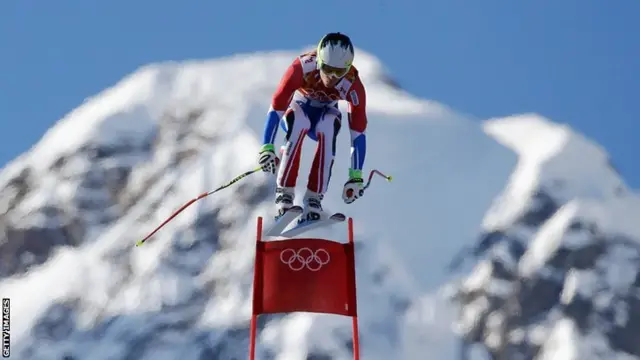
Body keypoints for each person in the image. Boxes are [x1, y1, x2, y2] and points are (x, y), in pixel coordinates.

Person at [257, 32, 368, 223]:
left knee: (328, 127)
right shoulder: (302, 67)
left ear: (348, 68)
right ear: (319, 61)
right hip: (299, 107)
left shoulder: (352, 84)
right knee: (300, 123)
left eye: (339, 72)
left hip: (326, 113)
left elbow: (358, 132)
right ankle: (285, 194)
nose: (332, 77)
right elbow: (276, 106)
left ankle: (314, 198)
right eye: (327, 68)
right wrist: (267, 147)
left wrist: (355, 176)